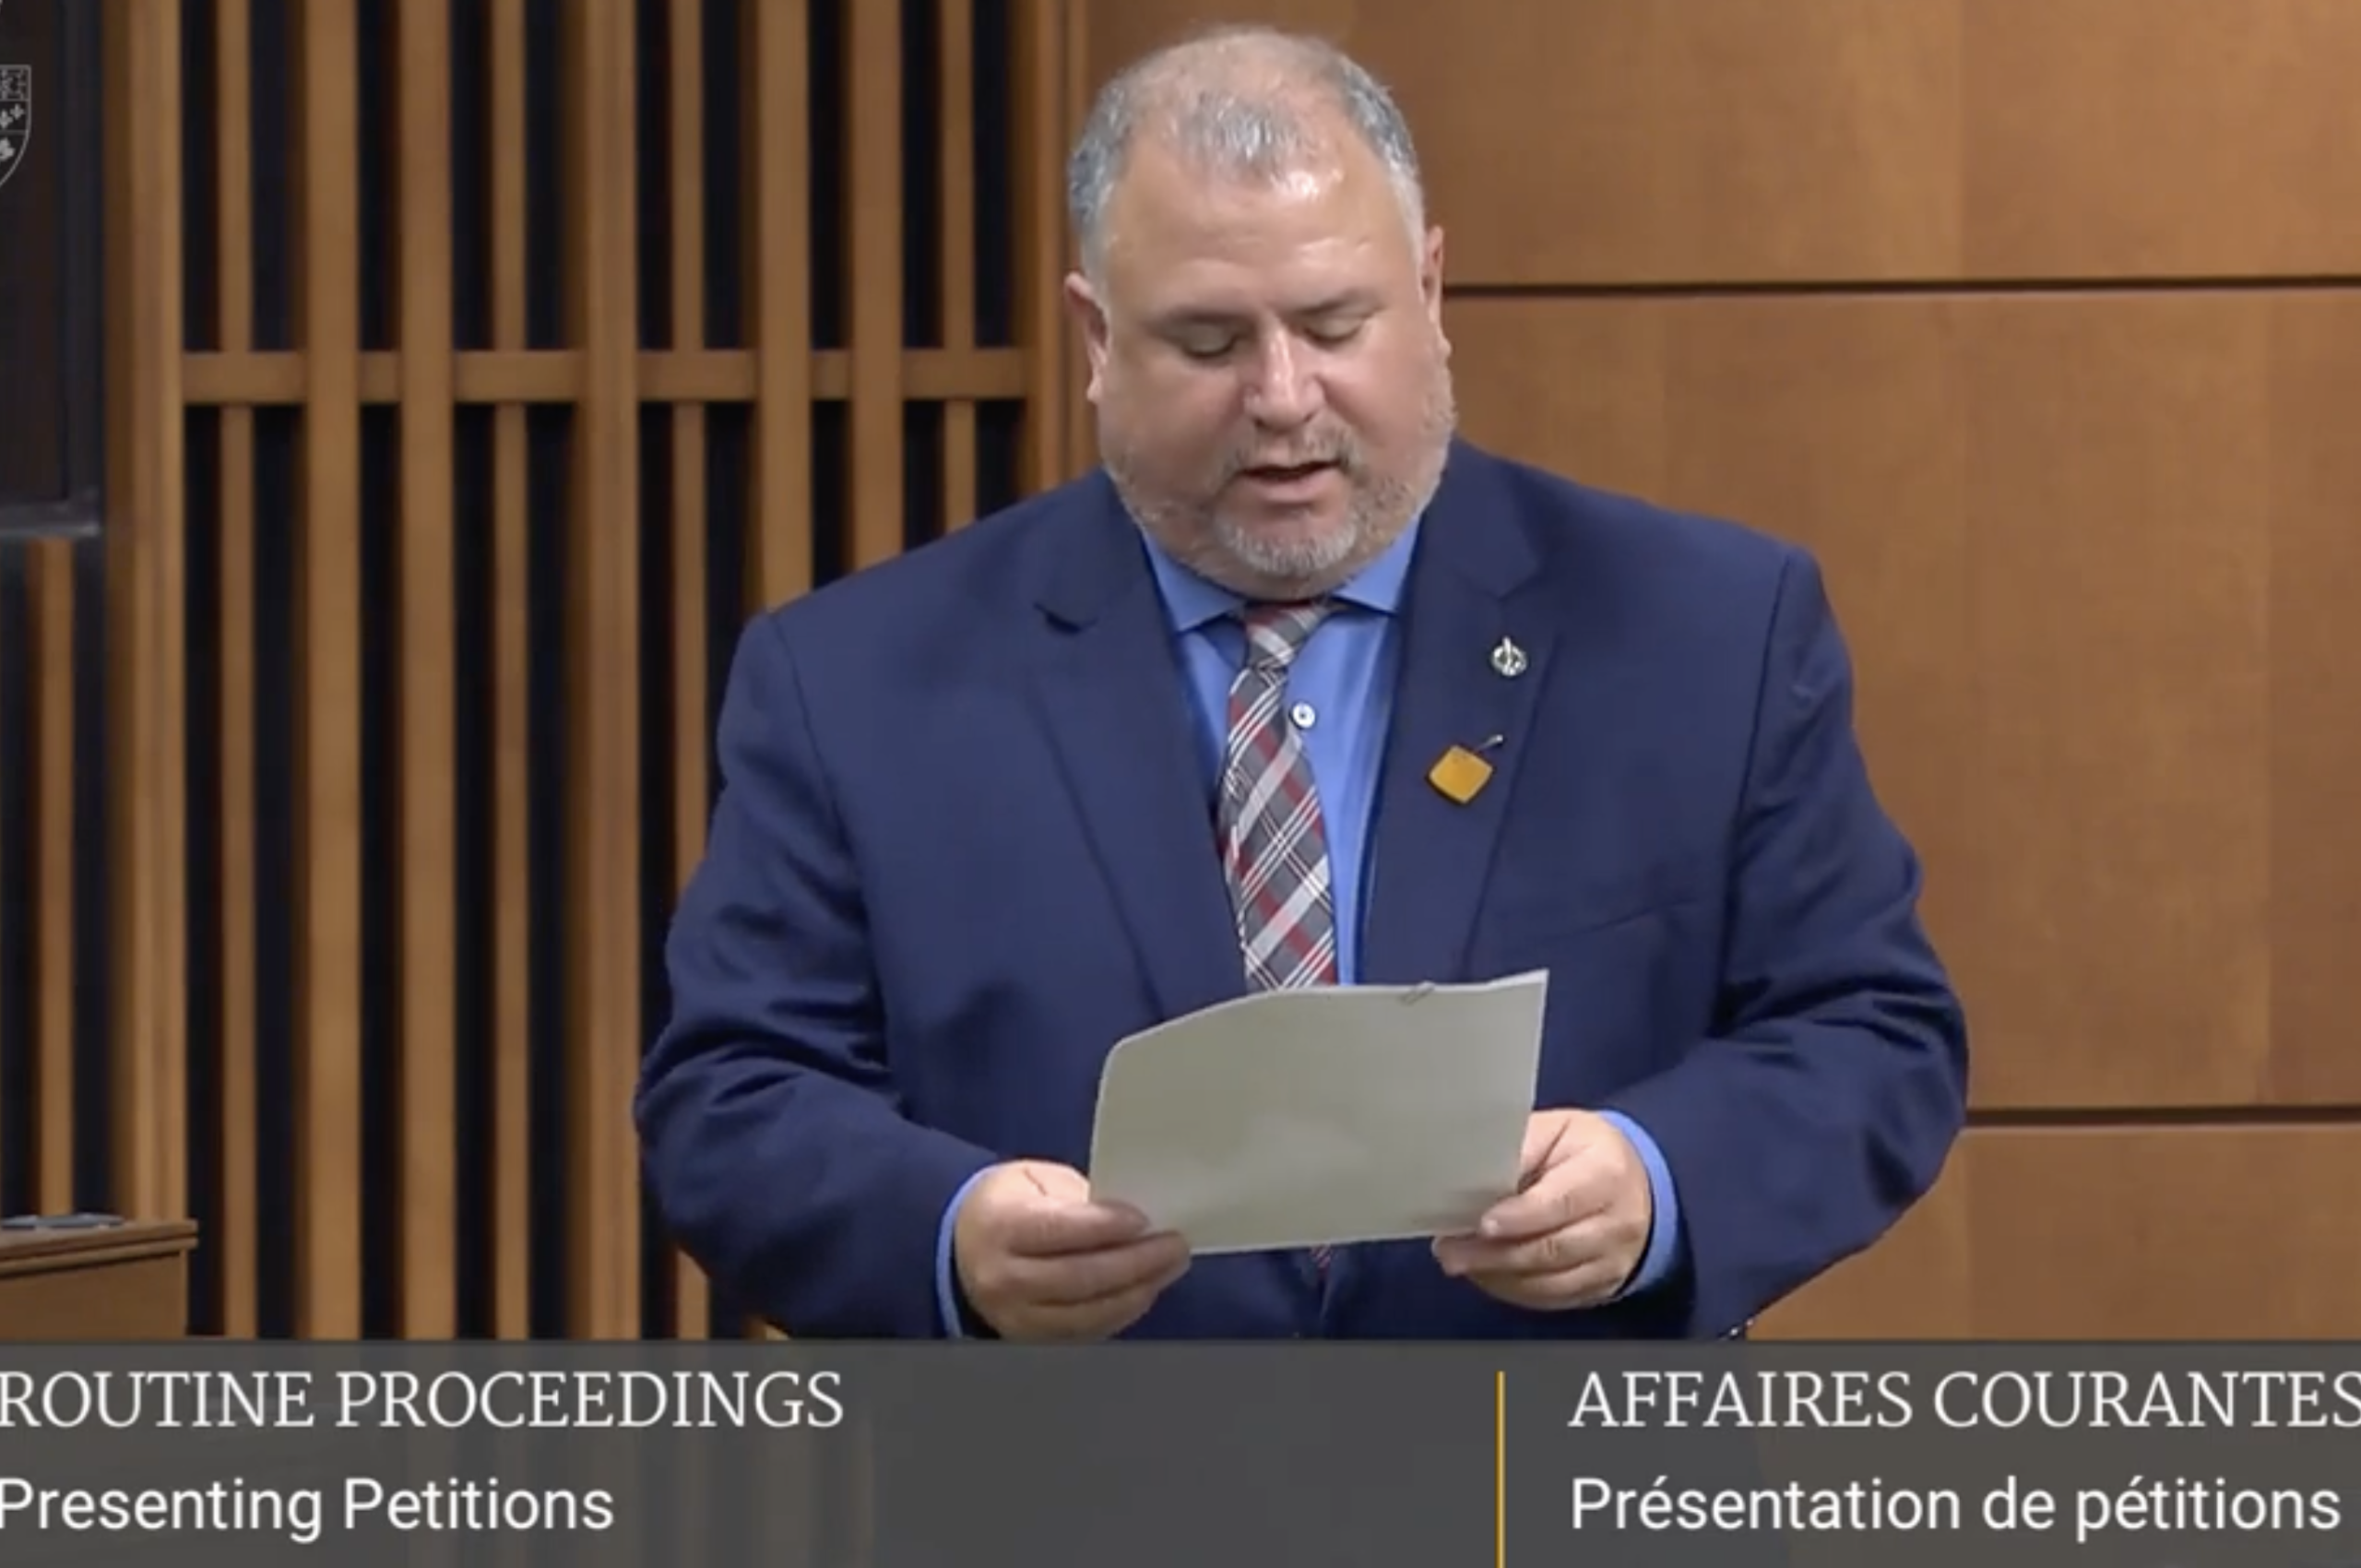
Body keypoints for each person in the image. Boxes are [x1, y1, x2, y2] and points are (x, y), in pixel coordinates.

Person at [635, 24, 1967, 1341]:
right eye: (1209, 343)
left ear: (1430, 293)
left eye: (1334, 325)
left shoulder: (1707, 634)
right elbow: (730, 1098)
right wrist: (950, 1236)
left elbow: (1871, 1029)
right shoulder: (855, 684)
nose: (1282, 398)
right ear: (1096, 337)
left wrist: (1660, 1183)